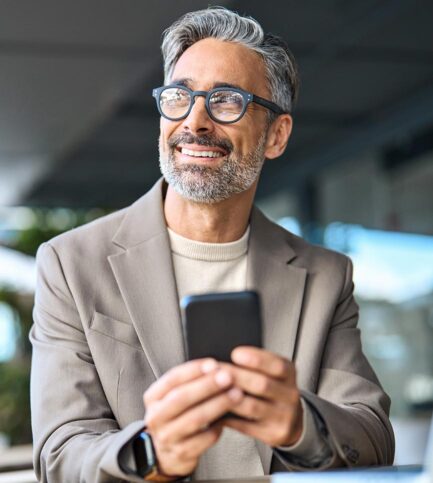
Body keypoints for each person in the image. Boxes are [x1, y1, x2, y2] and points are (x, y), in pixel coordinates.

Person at [30, 7, 394, 482]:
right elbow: (59, 452)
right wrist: (151, 452)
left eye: (226, 101)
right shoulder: (70, 264)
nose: (195, 122)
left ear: (276, 135)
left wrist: (298, 424)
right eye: (179, 96)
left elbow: (373, 438)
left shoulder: (327, 277)